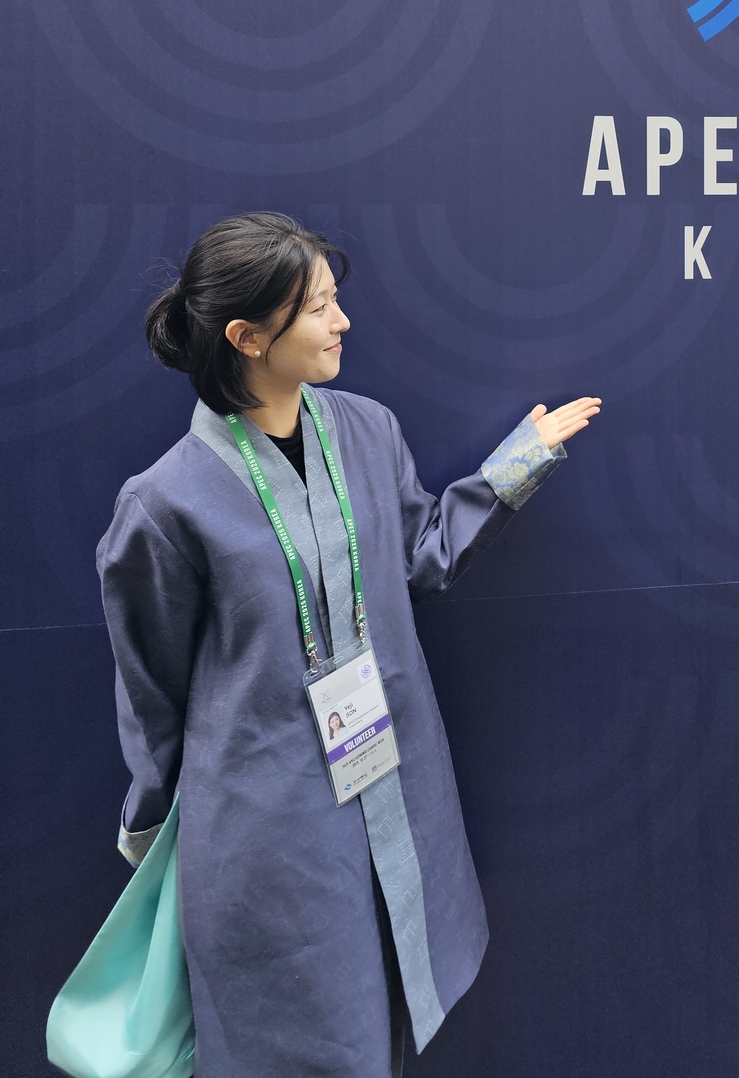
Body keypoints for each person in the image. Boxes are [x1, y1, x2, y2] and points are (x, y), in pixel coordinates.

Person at [97, 212, 600, 1076]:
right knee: (308, 1044)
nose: (343, 322)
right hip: (267, 839)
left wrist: (522, 460)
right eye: (318, 307)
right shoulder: (163, 505)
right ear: (248, 336)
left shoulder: (367, 431)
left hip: (391, 792)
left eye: (336, 299)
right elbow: (152, 690)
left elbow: (422, 552)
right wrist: (149, 830)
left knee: (392, 1014)